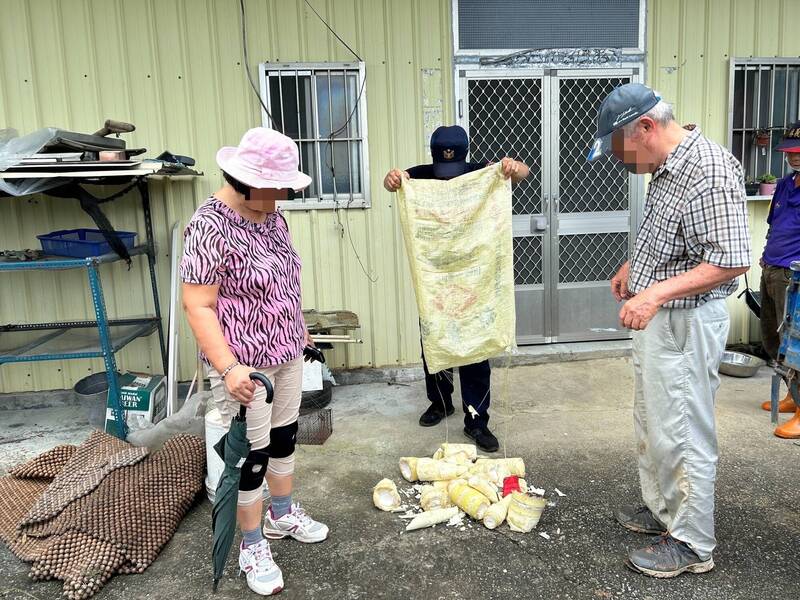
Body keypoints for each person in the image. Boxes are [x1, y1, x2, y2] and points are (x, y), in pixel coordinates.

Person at [589, 84, 750, 578]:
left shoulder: (709, 170)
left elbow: (730, 260)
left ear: (646, 127)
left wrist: (655, 293)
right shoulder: (666, 170)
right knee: (655, 423)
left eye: (621, 150)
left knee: (683, 431)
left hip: (684, 322)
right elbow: (673, 238)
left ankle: (693, 541)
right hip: (661, 322)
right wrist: (634, 267)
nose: (621, 162)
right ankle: (663, 511)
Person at [181, 128, 328, 596]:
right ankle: (250, 543)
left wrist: (299, 328)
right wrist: (228, 368)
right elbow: (199, 306)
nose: (285, 194)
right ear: (245, 180)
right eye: (278, 185)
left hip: (286, 353)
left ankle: (281, 515)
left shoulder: (272, 216)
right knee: (250, 455)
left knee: (284, 439)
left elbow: (284, 278)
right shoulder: (208, 225)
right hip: (245, 369)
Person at [383, 125, 530, 453]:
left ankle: (476, 421)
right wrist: (391, 178)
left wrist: (512, 167)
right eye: (443, 170)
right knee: (434, 343)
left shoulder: (481, 172)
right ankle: (440, 403)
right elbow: (394, 181)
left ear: (463, 156)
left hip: (474, 280)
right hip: (436, 280)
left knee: (475, 349)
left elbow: (523, 172)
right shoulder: (422, 174)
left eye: (453, 169)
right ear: (434, 157)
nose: (448, 176)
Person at [757, 122, 800, 437]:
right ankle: (791, 395)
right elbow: (774, 226)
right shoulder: (785, 185)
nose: (793, 158)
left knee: (797, 344)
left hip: (794, 276)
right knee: (773, 340)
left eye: (798, 153)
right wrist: (765, 254)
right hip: (772, 269)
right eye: (789, 153)